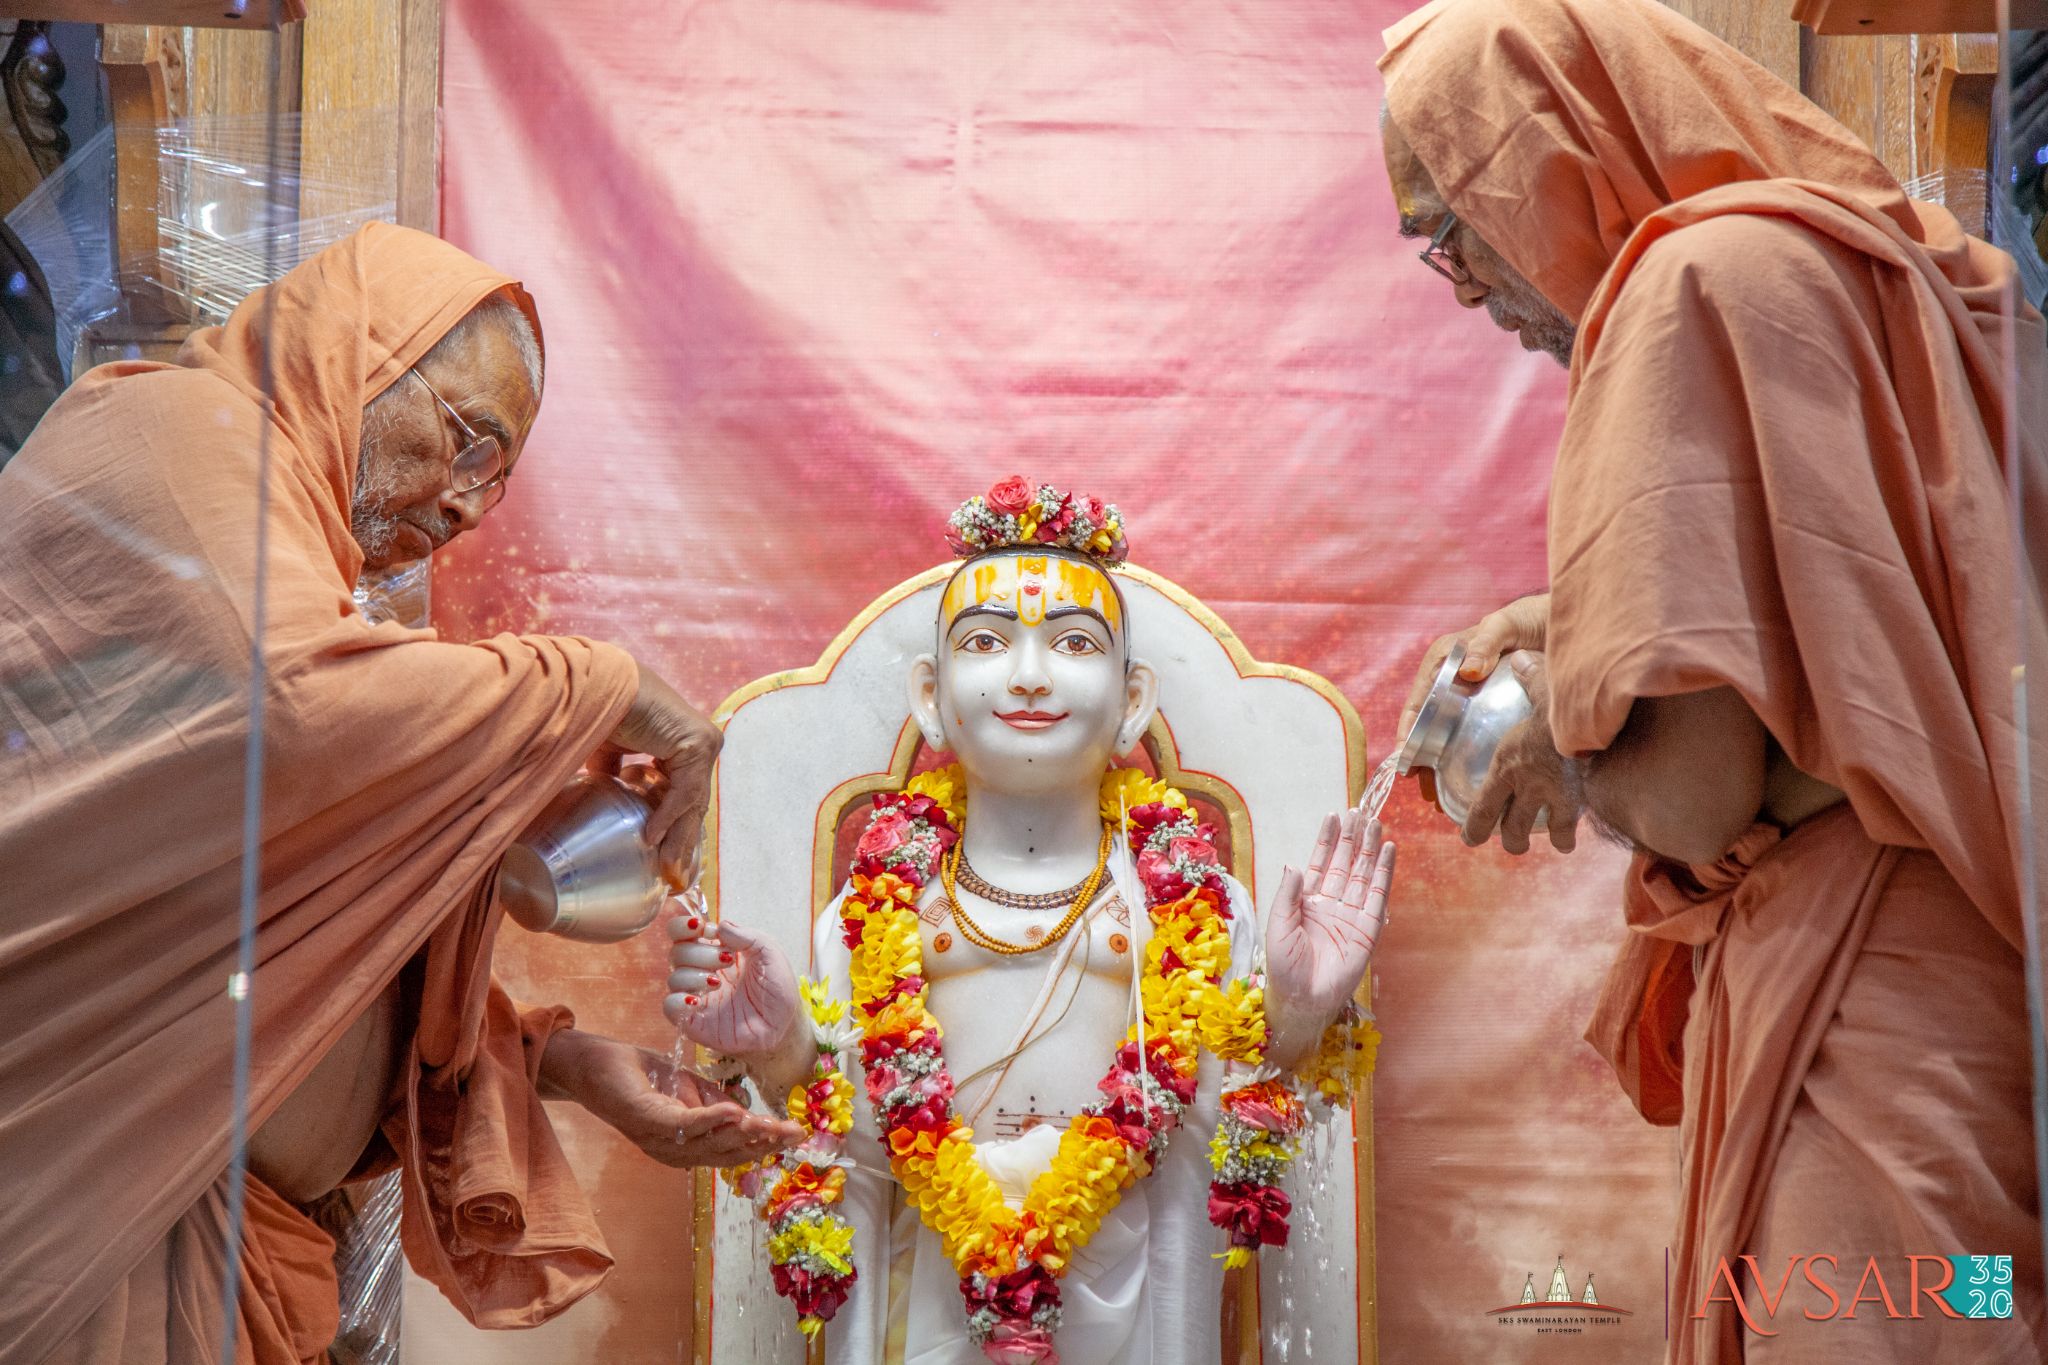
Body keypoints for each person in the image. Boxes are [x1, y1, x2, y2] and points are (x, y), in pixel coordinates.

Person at [0, 222, 800, 1365]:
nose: (470, 506)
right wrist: (599, 683)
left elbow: (273, 948)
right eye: (465, 441)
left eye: (499, 478)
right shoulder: (174, 427)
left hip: (213, 1243)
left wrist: (567, 1070)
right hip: (90, 1214)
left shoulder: (301, 575)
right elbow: (288, 705)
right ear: (357, 357)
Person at [1379, 1, 2048, 1360]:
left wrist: (1567, 746)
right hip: (1964, 962)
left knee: (1858, 1322)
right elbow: (1844, 599)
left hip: (1857, 981)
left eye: (1452, 226)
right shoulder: (1842, 259)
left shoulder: (1682, 293)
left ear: (1542, 151)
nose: (1470, 288)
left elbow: (1693, 796)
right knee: (1971, 1312)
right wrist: (1566, 619)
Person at [662, 481, 1393, 1364]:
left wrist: (1303, 1010)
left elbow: (1248, 1129)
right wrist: (777, 1049)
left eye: (1075, 643)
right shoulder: (872, 911)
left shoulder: (1189, 903)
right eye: (986, 641)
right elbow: (845, 1152)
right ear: (930, 698)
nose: (1030, 674)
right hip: (936, 1296)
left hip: (1138, 1307)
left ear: (1132, 702)